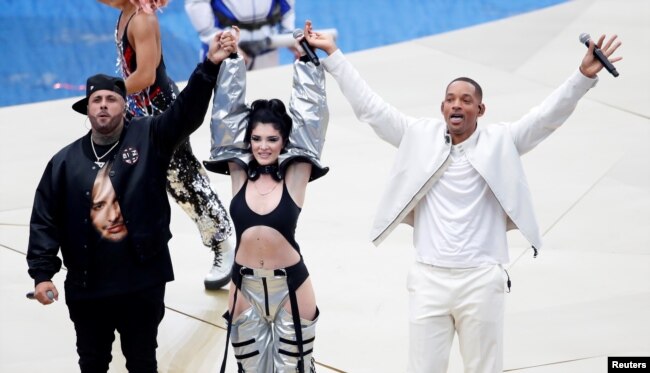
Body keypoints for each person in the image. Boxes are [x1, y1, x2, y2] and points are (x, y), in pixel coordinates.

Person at [306, 21, 622, 373]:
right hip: (429, 279)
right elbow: (371, 108)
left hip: (481, 280)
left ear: (480, 111)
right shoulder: (417, 136)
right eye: (450, 100)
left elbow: (546, 118)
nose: (457, 105)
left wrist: (581, 77)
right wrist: (333, 55)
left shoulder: (502, 141)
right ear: (442, 108)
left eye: (466, 100)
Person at [25, 31, 238, 372]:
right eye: (97, 100)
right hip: (87, 286)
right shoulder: (63, 163)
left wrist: (209, 66)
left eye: (112, 98)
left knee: (142, 362)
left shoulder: (150, 135)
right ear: (88, 108)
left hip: (141, 283)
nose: (104, 105)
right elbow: (44, 220)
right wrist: (42, 275)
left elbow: (186, 113)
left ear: (125, 105)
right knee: (92, 364)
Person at [203, 24, 328, 373]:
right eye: (256, 138)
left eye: (272, 139)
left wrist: (305, 62)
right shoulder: (240, 172)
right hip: (244, 285)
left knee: (294, 369)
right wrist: (231, 59)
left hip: (290, 284)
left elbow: (309, 128)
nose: (262, 146)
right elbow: (226, 121)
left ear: (283, 141)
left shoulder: (295, 174)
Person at [98, 0, 234, 290]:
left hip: (159, 112)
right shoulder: (125, 13)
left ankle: (223, 244)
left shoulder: (142, 20)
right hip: (136, 111)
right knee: (125, 181)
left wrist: (109, 94)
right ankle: (125, 252)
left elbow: (146, 75)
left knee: (184, 183)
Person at [184, 0, 298, 70]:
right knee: (223, 104)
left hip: (267, 46)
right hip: (225, 50)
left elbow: (287, 6)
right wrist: (223, 43)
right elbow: (196, 4)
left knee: (267, 100)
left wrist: (287, 32)